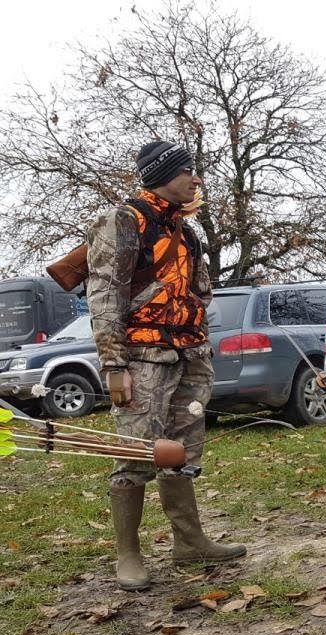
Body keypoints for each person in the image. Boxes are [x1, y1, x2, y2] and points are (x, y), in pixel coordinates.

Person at [86, 140, 245, 590]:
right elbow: (104, 296)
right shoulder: (124, 220)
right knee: (135, 453)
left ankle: (189, 543)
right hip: (141, 359)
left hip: (189, 356)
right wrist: (114, 364)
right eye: (187, 171)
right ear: (163, 174)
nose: (196, 179)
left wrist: (194, 333)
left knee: (181, 452)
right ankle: (129, 554)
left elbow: (200, 291)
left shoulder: (186, 230)